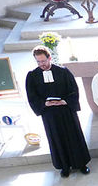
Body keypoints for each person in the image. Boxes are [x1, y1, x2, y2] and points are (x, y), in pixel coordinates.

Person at [24, 46, 90, 177]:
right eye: (38, 62)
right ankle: (64, 166)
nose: (41, 64)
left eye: (43, 61)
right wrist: (44, 103)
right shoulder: (32, 76)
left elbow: (73, 90)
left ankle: (81, 164)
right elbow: (32, 96)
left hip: (66, 111)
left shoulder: (63, 71)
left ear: (49, 58)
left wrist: (65, 101)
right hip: (49, 114)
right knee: (56, 139)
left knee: (73, 136)